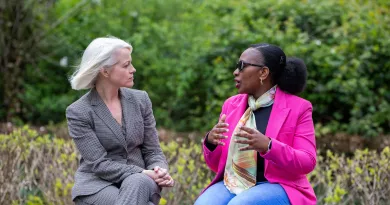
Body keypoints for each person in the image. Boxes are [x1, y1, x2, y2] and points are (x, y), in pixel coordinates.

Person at [195, 43, 317, 205]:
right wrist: (211, 142)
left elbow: (307, 162)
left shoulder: (298, 108)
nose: (236, 72)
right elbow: (217, 165)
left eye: (242, 66)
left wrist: (269, 146)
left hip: (278, 184)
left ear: (263, 72)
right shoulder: (231, 105)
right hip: (234, 183)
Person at [66, 36, 174, 205]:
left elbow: (153, 151)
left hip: (142, 181)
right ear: (105, 71)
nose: (133, 69)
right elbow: (99, 164)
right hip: (97, 185)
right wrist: (142, 172)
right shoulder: (78, 111)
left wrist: (159, 170)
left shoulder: (141, 100)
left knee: (136, 181)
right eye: (126, 65)